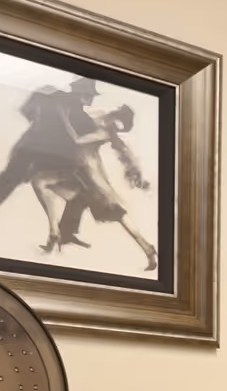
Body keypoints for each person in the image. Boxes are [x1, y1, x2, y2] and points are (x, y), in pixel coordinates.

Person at [0, 77, 98, 230]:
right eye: (89, 94)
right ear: (80, 94)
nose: (91, 98)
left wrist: (39, 124)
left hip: (31, 151)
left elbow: (27, 110)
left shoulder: (49, 93)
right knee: (84, 191)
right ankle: (66, 231)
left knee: (5, 183)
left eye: (91, 95)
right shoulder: (84, 119)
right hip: (48, 158)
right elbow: (84, 143)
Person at [32, 104, 157, 270]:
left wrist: (63, 116)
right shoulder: (99, 117)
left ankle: (148, 249)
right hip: (79, 172)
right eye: (115, 122)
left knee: (117, 214)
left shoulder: (104, 133)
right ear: (114, 115)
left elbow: (76, 140)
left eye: (117, 126)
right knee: (40, 181)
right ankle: (54, 233)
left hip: (91, 178)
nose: (114, 127)